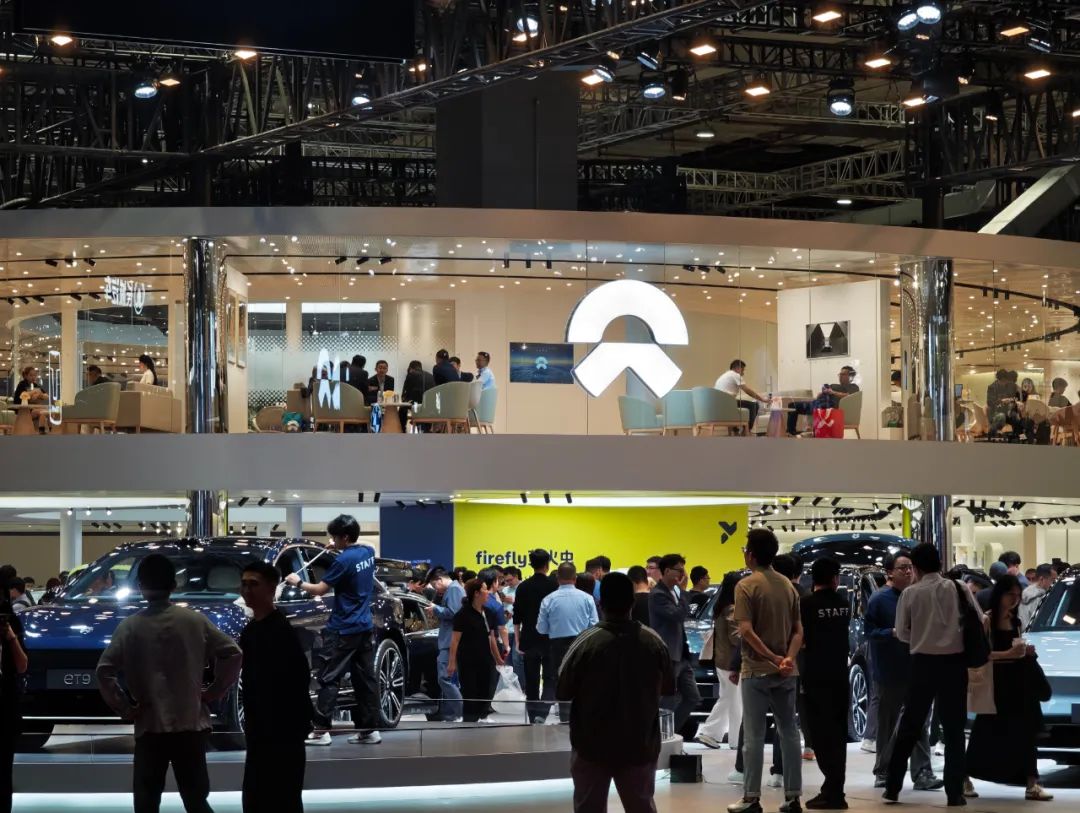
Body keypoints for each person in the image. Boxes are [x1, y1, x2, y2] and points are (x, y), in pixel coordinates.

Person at [97, 553, 242, 813]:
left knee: (146, 802)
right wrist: (215, 690)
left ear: (140, 586)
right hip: (190, 723)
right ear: (174, 585)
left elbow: (104, 671)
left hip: (150, 725)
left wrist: (125, 707)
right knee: (196, 800)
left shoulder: (130, 627)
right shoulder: (194, 620)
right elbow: (233, 653)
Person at [557, 572, 674, 813]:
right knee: (641, 806)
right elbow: (669, 687)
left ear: (601, 604)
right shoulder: (654, 641)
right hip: (640, 743)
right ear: (632, 603)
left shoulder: (585, 642)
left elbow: (562, 690)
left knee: (588, 807)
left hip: (591, 744)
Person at [883, 543, 978, 807]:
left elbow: (902, 633)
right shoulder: (959, 588)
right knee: (954, 730)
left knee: (910, 726)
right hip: (954, 664)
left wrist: (922, 636)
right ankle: (954, 793)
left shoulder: (910, 594)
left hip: (922, 663)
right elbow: (978, 620)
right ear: (940, 562)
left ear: (916, 567)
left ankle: (892, 787)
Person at [285, 514, 380, 746]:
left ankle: (321, 731)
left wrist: (297, 582)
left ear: (345, 537)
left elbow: (319, 589)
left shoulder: (343, 561)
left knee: (329, 678)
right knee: (365, 680)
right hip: (364, 627)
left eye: (335, 537)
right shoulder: (367, 553)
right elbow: (361, 551)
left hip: (343, 629)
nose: (332, 540)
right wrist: (338, 548)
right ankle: (369, 730)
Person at [728, 529, 803, 813]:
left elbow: (746, 631)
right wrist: (787, 659)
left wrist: (772, 658)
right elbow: (798, 631)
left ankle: (751, 798)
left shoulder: (746, 586)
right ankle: (793, 797)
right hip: (787, 672)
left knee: (754, 736)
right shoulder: (788, 585)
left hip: (756, 671)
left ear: (750, 555)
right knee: (789, 732)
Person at [966, 574, 1052, 801]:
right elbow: (980, 655)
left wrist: (1025, 652)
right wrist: (1009, 653)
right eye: (1010, 594)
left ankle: (1032, 782)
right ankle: (963, 775)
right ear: (999, 595)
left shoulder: (1016, 621)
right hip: (996, 683)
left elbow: (1016, 648)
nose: (1014, 599)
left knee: (1026, 730)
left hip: (1019, 681)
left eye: (1017, 595)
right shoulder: (987, 620)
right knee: (986, 731)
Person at [238, 561, 312, 813]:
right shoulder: (251, 630)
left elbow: (297, 678)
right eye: (244, 584)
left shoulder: (280, 630)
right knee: (258, 795)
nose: (246, 590)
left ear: (271, 589)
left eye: (253, 584)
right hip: (260, 727)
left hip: (282, 729)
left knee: (281, 796)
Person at [865, 553, 942, 792]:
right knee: (888, 725)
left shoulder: (919, 595)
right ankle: (883, 771)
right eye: (902, 568)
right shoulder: (879, 599)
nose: (908, 572)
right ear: (890, 572)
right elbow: (869, 632)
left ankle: (922, 773)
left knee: (919, 723)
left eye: (910, 567)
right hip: (890, 671)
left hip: (918, 668)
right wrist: (891, 633)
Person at [799, 558, 850, 810]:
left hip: (815, 676)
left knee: (820, 733)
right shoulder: (844, 604)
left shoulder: (806, 604)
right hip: (840, 675)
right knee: (838, 734)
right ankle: (835, 788)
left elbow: (800, 638)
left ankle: (832, 790)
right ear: (835, 579)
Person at [538, 562, 598, 720]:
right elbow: (594, 625)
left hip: (557, 646)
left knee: (560, 681)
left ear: (557, 577)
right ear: (575, 578)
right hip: (581, 643)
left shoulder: (548, 600)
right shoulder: (587, 598)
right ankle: (583, 717)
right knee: (583, 679)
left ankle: (565, 718)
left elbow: (541, 629)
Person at [649, 554, 702, 735]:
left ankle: (671, 733)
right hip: (668, 655)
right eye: (679, 570)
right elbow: (677, 615)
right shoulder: (658, 594)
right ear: (666, 571)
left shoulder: (674, 592)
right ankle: (661, 737)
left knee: (692, 697)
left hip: (681, 655)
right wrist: (684, 592)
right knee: (667, 699)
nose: (683, 574)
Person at [696, 571, 744, 750]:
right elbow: (735, 638)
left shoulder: (721, 608)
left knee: (729, 698)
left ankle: (712, 733)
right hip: (731, 662)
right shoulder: (732, 609)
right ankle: (732, 739)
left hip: (722, 661)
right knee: (735, 701)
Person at [449, 578, 503, 722]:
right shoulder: (462, 615)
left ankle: (481, 717)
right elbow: (455, 640)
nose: (488, 592)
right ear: (476, 593)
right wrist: (451, 662)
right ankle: (469, 721)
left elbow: (491, 637)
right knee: (470, 692)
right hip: (467, 660)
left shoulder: (488, 612)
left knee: (485, 691)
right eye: (485, 589)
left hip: (486, 659)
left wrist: (498, 658)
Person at [514, 549, 558, 724]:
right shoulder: (554, 586)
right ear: (547, 565)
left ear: (531, 564)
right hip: (550, 639)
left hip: (529, 638)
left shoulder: (523, 587)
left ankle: (533, 716)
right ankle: (542, 713)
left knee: (531, 680)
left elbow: (517, 617)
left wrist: (517, 641)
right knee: (550, 678)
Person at [424, 568, 466, 722]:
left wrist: (436, 609)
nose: (436, 590)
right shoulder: (455, 589)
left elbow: (455, 614)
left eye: (435, 585)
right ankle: (456, 713)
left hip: (450, 641)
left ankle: (461, 712)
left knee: (444, 678)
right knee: (450, 679)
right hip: (450, 640)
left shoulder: (454, 589)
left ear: (439, 580)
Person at [0, 598, 27, 813]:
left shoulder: (11, 622)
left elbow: (22, 665)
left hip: (5, 708)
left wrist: (10, 637)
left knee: (3, 773)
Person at [788, 365, 860, 437]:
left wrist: (833, 392)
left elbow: (849, 396)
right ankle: (791, 432)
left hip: (831, 410)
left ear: (850, 377)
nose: (840, 376)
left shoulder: (853, 387)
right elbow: (822, 394)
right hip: (818, 405)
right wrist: (821, 394)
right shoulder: (833, 385)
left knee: (821, 407)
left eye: (843, 374)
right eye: (840, 374)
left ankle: (814, 432)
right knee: (792, 405)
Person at [715, 359, 770, 433]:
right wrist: (762, 399)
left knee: (739, 404)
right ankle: (746, 430)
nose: (743, 373)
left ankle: (736, 430)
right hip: (727, 403)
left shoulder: (724, 376)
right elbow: (747, 390)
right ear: (737, 368)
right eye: (743, 370)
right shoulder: (735, 375)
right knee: (754, 405)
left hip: (718, 405)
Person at [12, 366, 50, 432]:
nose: (33, 377)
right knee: (42, 412)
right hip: (22, 410)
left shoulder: (35, 385)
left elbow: (46, 396)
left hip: (33, 408)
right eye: (31, 375)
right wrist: (34, 392)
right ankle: (41, 431)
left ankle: (46, 430)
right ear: (26, 376)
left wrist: (39, 395)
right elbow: (23, 395)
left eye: (35, 375)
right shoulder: (21, 384)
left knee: (48, 411)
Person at [1019, 563, 1054, 631]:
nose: (1055, 583)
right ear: (1042, 579)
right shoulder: (1039, 598)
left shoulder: (1026, 594)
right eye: (1053, 580)